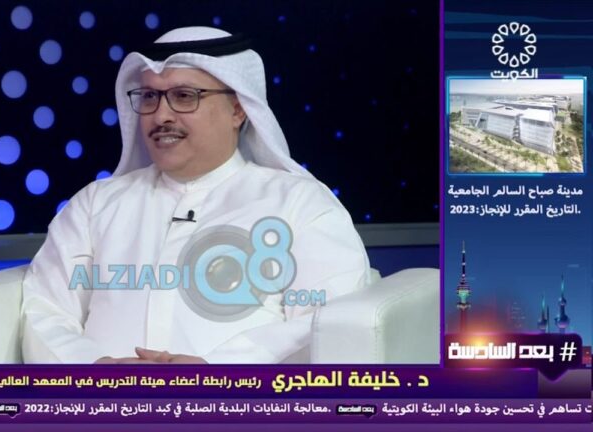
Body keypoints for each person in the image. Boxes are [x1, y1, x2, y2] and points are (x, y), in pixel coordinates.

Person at [21, 26, 370, 364]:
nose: (161, 116)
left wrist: (216, 374)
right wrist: (98, 368)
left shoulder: (300, 204)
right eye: (149, 97)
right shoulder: (96, 204)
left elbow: (329, 321)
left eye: (184, 96)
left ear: (238, 109)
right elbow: (44, 310)